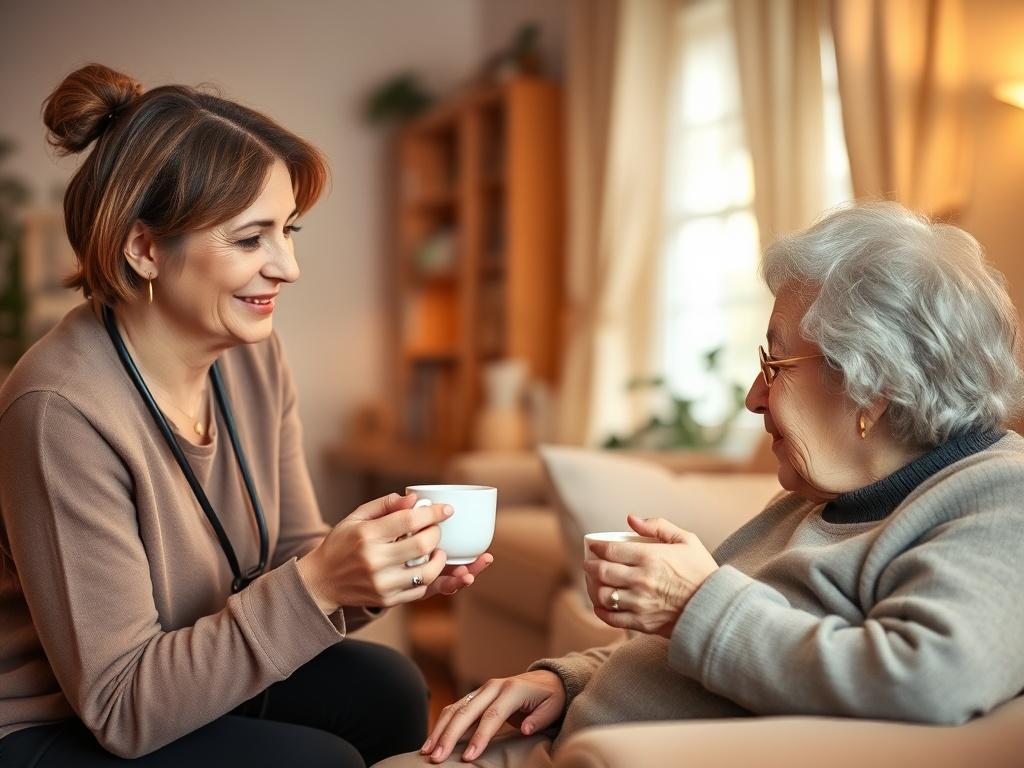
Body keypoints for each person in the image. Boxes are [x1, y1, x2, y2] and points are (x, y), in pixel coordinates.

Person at [375, 202, 1024, 768]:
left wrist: (695, 601)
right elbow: (706, 658)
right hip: (569, 741)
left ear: (872, 383)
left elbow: (924, 681)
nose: (753, 397)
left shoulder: (998, 499)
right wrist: (566, 681)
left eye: (775, 363)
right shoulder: (822, 494)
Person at [0, 64, 492, 768]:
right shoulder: (60, 410)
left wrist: (387, 572)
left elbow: (295, 558)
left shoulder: (250, 356)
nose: (287, 266)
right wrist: (321, 583)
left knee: (389, 689)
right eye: (251, 238)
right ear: (143, 248)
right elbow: (118, 705)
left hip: (181, 669)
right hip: (57, 722)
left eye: (288, 231)